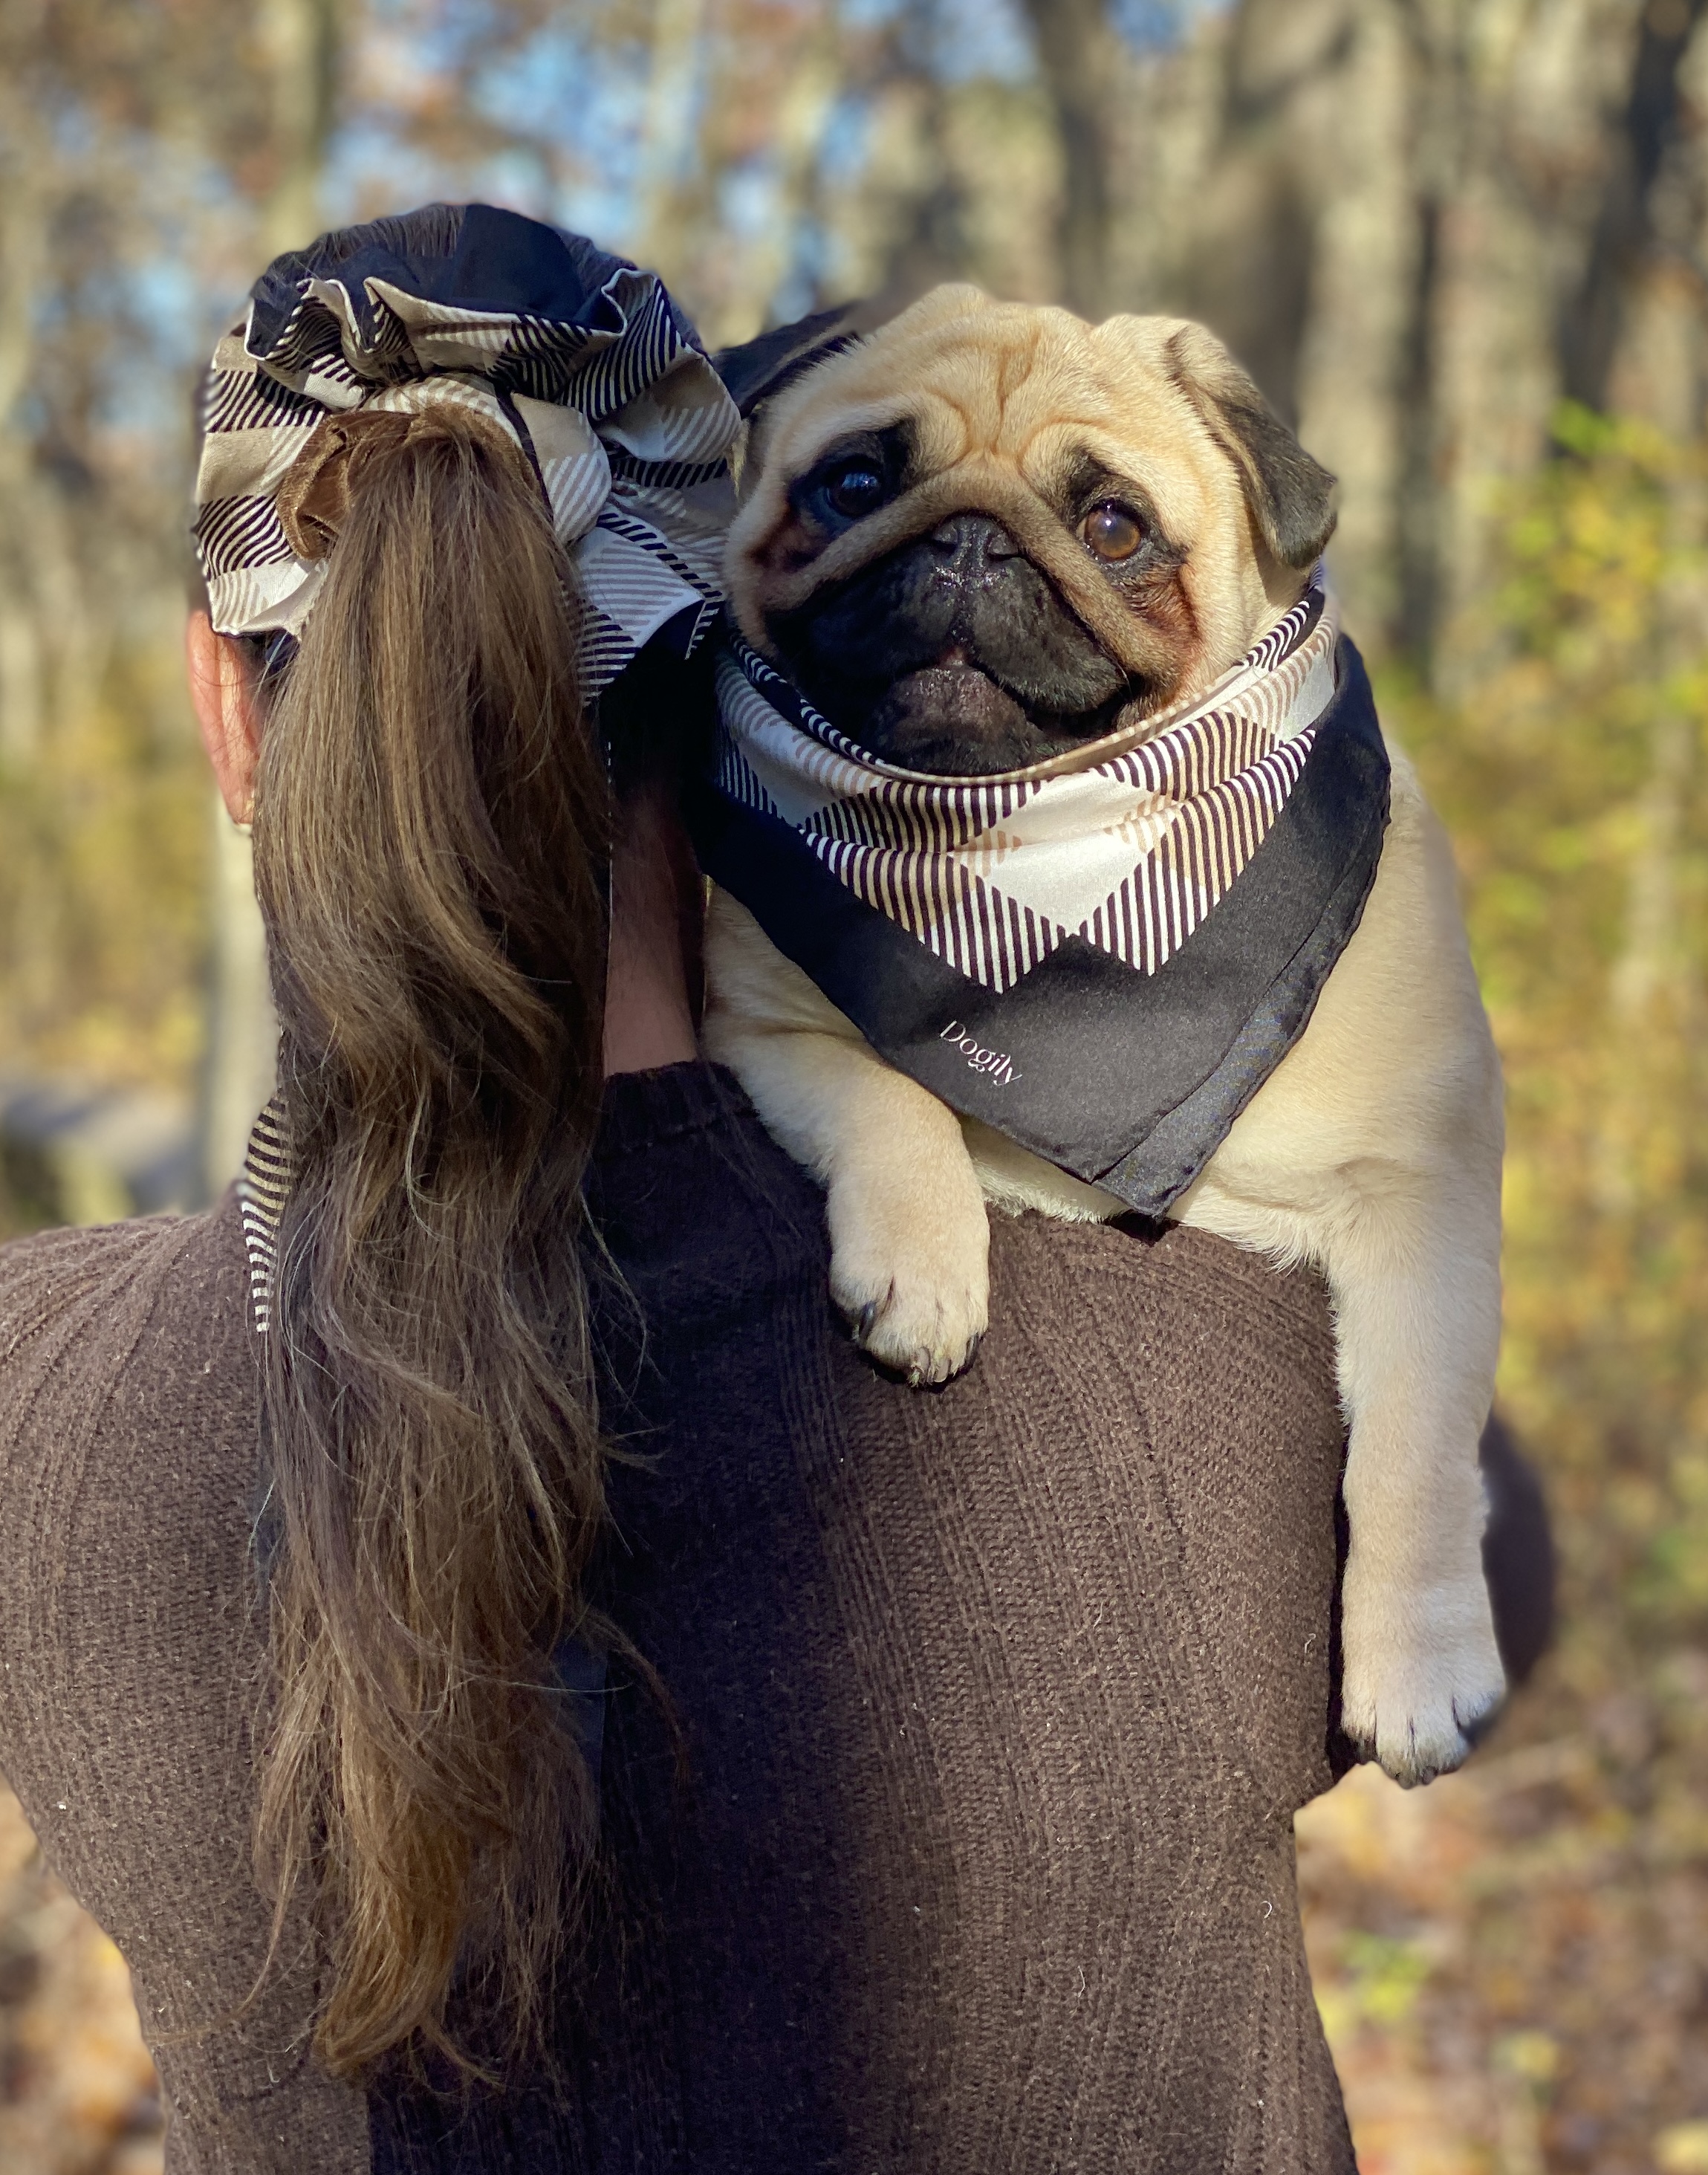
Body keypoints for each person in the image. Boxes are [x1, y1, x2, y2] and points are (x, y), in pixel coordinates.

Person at [0, 206, 1545, 2175]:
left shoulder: (37, 1401)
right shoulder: (1214, 1388)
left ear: (231, 717)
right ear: (731, 649)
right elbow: (1499, 1549)